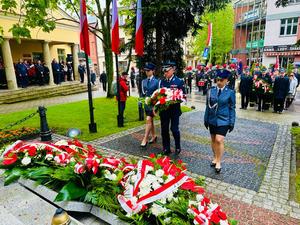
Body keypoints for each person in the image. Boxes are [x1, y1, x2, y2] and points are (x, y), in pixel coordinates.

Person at [204, 69, 236, 173]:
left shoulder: (230, 92)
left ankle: (218, 161)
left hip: (224, 120)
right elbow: (207, 107)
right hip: (212, 119)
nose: (219, 82)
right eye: (217, 80)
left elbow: (232, 108)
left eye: (221, 80)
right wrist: (206, 119)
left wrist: (232, 122)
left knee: (219, 140)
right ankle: (215, 157)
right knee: (213, 140)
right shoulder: (211, 91)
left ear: (226, 80)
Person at [159, 61, 185, 155]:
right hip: (164, 110)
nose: (165, 73)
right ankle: (166, 148)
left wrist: (176, 99)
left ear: (173, 70)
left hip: (174, 110)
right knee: (164, 129)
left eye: (167, 70)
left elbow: (183, 96)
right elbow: (159, 95)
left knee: (174, 129)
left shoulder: (179, 81)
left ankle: (177, 146)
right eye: (164, 71)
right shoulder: (162, 81)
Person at [140, 63, 159, 147]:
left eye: (148, 71)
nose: (147, 72)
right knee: (150, 121)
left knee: (148, 119)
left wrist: (156, 105)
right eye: (146, 71)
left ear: (153, 71)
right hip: (146, 104)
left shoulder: (157, 81)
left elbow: (159, 94)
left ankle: (145, 139)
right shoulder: (143, 81)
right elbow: (142, 94)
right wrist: (140, 102)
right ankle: (154, 135)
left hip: (154, 104)